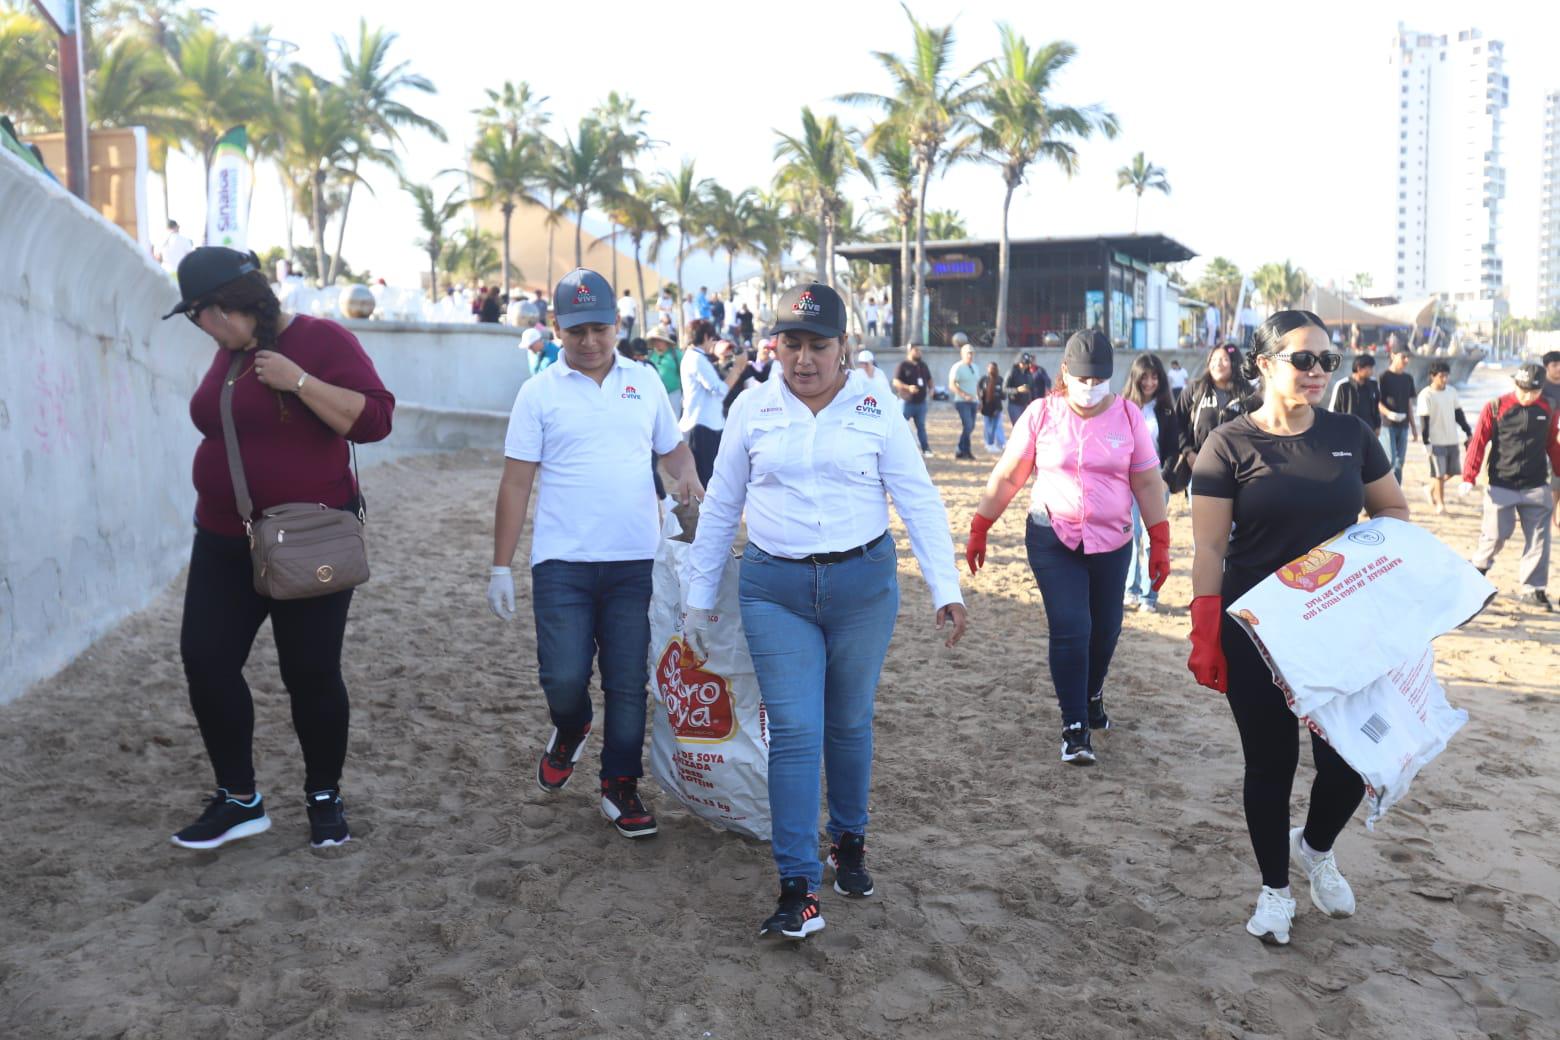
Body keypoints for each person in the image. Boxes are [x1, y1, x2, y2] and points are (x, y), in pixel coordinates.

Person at [683, 282, 967, 941]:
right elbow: (723, 506)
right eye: (792, 343)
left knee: (847, 723)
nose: (804, 358)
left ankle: (850, 841)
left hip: (863, 588)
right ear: (774, 345)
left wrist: (944, 586)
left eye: (818, 345)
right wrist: (699, 600)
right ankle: (797, 886)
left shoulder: (876, 407)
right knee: (795, 731)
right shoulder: (751, 409)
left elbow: (917, 499)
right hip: (773, 589)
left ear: (845, 347)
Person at [161, 247, 396, 850]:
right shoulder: (229, 356)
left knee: (310, 672)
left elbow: (376, 419)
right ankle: (240, 799)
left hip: (307, 536)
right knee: (206, 661)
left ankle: (324, 797)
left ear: (228, 306)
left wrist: (299, 381)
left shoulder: (321, 340)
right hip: (222, 538)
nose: (201, 327)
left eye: (199, 314)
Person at [1187, 310, 1406, 946]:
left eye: (1327, 361)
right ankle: (1275, 891)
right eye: (1303, 360)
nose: (1317, 373)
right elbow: (1209, 549)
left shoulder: (1351, 433)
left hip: (1342, 628)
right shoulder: (1228, 444)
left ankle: (1314, 848)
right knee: (1272, 764)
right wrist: (1205, 630)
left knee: (1348, 762)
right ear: (1264, 364)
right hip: (1257, 630)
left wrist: (1378, 570)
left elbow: (1391, 508)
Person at [488, 269, 704, 838]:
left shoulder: (644, 382)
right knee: (562, 678)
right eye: (577, 330)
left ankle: (620, 786)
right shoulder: (538, 392)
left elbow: (674, 451)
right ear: (557, 328)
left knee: (629, 682)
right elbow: (515, 484)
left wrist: (687, 479)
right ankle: (572, 725)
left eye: (600, 329)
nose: (589, 341)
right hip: (562, 563)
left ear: (617, 325)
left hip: (637, 561)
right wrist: (499, 567)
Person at [966, 331, 1170, 765]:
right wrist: (981, 525)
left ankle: (1092, 693)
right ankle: (1075, 726)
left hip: (1112, 541)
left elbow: (1148, 482)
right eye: (1082, 378)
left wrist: (1160, 541)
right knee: (1072, 626)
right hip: (1052, 536)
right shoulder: (1041, 414)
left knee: (1107, 629)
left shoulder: (1128, 417)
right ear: (1064, 373)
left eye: (1099, 379)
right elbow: (1008, 476)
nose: (1090, 386)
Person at [1462, 362, 1560, 611]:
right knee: (1495, 535)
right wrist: (1468, 476)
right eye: (1523, 389)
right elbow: (1478, 442)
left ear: (1541, 389)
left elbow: (1551, 444)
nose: (1528, 396)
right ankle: (1476, 575)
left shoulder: (1548, 408)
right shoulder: (1495, 407)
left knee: (1539, 538)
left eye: (1534, 391)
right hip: (1501, 484)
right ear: (1515, 383)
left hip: (1536, 485)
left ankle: (1534, 589)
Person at [1121, 354, 1180, 612]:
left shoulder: (1166, 409)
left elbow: (1172, 449)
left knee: (1152, 539)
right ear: (1136, 377)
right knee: (1129, 536)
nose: (1149, 382)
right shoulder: (1122, 407)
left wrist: (1165, 479)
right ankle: (1130, 589)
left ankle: (1150, 595)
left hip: (1156, 482)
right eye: (1144, 376)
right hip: (1127, 481)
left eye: (1154, 376)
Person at [1172, 342, 1254, 493]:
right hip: (1200, 469)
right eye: (1213, 359)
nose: (1218, 364)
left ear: (1234, 363)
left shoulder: (1248, 395)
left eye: (1224, 359)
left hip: (1238, 474)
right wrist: (1188, 452)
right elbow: (1177, 423)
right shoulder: (1195, 391)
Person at [680, 319, 745, 486]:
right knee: (708, 479)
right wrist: (738, 368)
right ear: (707, 336)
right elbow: (720, 390)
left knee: (712, 477)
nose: (714, 343)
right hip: (702, 426)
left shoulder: (695, 357)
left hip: (707, 424)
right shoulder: (696, 359)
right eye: (713, 339)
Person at [1416, 360, 1472, 515]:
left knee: (1453, 472)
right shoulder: (1425, 395)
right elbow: (1424, 421)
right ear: (1432, 376)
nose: (1445, 379)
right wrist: (1426, 442)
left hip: (1451, 438)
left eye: (1447, 376)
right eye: (1441, 376)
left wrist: (1468, 431)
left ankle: (1429, 488)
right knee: (1439, 474)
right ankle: (1440, 504)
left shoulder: (1452, 392)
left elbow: (1459, 414)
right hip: (1435, 441)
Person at [1378, 336, 1417, 484]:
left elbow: (1409, 403)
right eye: (1404, 357)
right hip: (1387, 425)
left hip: (1404, 425)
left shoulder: (1408, 378)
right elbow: (1377, 402)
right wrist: (1389, 414)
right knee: (1391, 461)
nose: (1406, 360)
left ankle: (1396, 494)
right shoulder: (1384, 377)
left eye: (1408, 358)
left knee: (1400, 463)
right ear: (1393, 355)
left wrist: (1413, 426)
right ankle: (1385, 494)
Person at [893, 345, 935, 457]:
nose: (919, 352)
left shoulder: (923, 365)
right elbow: (896, 382)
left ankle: (926, 449)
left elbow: (930, 380)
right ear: (910, 351)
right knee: (900, 426)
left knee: (921, 426)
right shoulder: (903, 365)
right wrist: (908, 388)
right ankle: (897, 448)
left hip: (921, 403)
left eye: (920, 350)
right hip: (906, 402)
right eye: (916, 350)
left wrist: (931, 389)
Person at [1327, 354, 1381, 436]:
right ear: (1359, 368)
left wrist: (1378, 426)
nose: (1372, 371)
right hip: (1348, 432)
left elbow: (1377, 407)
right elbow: (1333, 411)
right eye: (1369, 368)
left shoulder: (1373, 384)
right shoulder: (1342, 385)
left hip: (1369, 431)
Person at [948, 336, 980, 459]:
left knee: (971, 427)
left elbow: (976, 385)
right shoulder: (957, 367)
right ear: (962, 354)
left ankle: (961, 449)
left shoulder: (975, 367)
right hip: (962, 401)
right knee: (968, 425)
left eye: (972, 354)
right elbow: (952, 384)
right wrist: (963, 395)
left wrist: (979, 400)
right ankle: (964, 450)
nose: (970, 356)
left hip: (973, 401)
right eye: (968, 354)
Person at [645, 326, 682, 416]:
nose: (657, 343)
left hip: (673, 394)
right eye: (654, 340)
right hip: (655, 395)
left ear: (665, 341)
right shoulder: (650, 355)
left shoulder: (677, 354)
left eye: (659, 340)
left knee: (674, 421)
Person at [977, 360, 1007, 454]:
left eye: (993, 368)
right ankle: (989, 443)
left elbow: (1003, 395)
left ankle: (993, 443)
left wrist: (999, 394)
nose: (991, 370)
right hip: (986, 407)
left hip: (996, 407)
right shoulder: (984, 379)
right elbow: (979, 390)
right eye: (990, 368)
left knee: (994, 426)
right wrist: (980, 401)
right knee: (987, 426)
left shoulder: (1000, 380)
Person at [1005, 353, 1039, 426]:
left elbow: (1032, 388)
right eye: (1023, 363)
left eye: (1027, 363)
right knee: (1018, 426)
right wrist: (1017, 390)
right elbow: (1004, 389)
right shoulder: (1012, 372)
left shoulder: (1028, 374)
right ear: (1018, 362)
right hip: (1014, 405)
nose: (1025, 365)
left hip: (1026, 404)